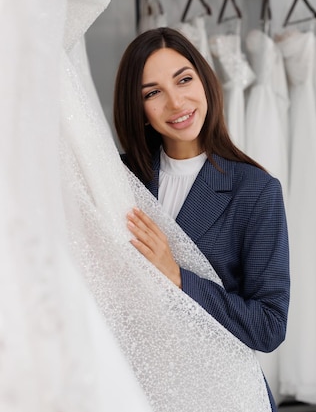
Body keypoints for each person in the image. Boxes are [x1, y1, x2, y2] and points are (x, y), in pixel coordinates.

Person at [113, 27, 290, 411]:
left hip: (219, 393)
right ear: (137, 107)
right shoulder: (118, 179)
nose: (176, 102)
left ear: (205, 81)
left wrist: (176, 275)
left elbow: (269, 326)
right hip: (134, 387)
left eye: (184, 80)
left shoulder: (255, 191)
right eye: (153, 92)